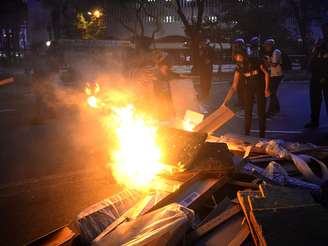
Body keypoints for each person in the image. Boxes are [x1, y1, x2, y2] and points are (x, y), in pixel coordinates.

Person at [223, 49, 270, 138]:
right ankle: (247, 134)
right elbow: (234, 86)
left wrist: (267, 89)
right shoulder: (238, 68)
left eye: (240, 57)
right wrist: (225, 102)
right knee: (247, 111)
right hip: (249, 87)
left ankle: (262, 136)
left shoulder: (255, 61)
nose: (239, 59)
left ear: (244, 56)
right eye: (236, 58)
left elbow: (267, 73)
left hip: (260, 85)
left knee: (261, 112)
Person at [305, 23, 328, 129]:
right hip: (315, 76)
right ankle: (314, 121)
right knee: (314, 100)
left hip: (325, 77)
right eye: (324, 29)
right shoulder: (320, 42)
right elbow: (313, 58)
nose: (325, 31)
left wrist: (324, 76)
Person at [263, 38, 284, 117]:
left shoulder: (276, 52)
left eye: (267, 46)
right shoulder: (270, 53)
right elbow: (268, 65)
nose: (266, 48)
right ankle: (276, 108)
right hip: (272, 74)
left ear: (271, 46)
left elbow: (274, 64)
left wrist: (267, 62)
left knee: (272, 93)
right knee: (272, 93)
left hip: (277, 75)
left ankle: (270, 111)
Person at [232, 38, 246, 109]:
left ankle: (244, 103)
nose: (236, 46)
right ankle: (240, 101)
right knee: (239, 87)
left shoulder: (244, 51)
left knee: (243, 87)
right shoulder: (237, 52)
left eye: (237, 45)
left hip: (244, 72)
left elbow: (243, 62)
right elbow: (235, 60)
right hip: (239, 70)